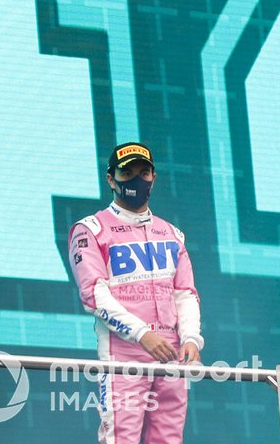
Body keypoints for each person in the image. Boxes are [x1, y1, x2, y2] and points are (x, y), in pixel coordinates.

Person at [69, 142, 203, 444]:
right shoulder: (91, 229)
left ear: (153, 177)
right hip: (123, 355)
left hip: (172, 355)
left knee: (168, 440)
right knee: (121, 440)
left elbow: (185, 293)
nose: (136, 180)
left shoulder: (171, 233)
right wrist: (142, 334)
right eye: (126, 172)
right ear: (111, 179)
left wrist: (192, 338)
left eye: (143, 172)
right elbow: (93, 293)